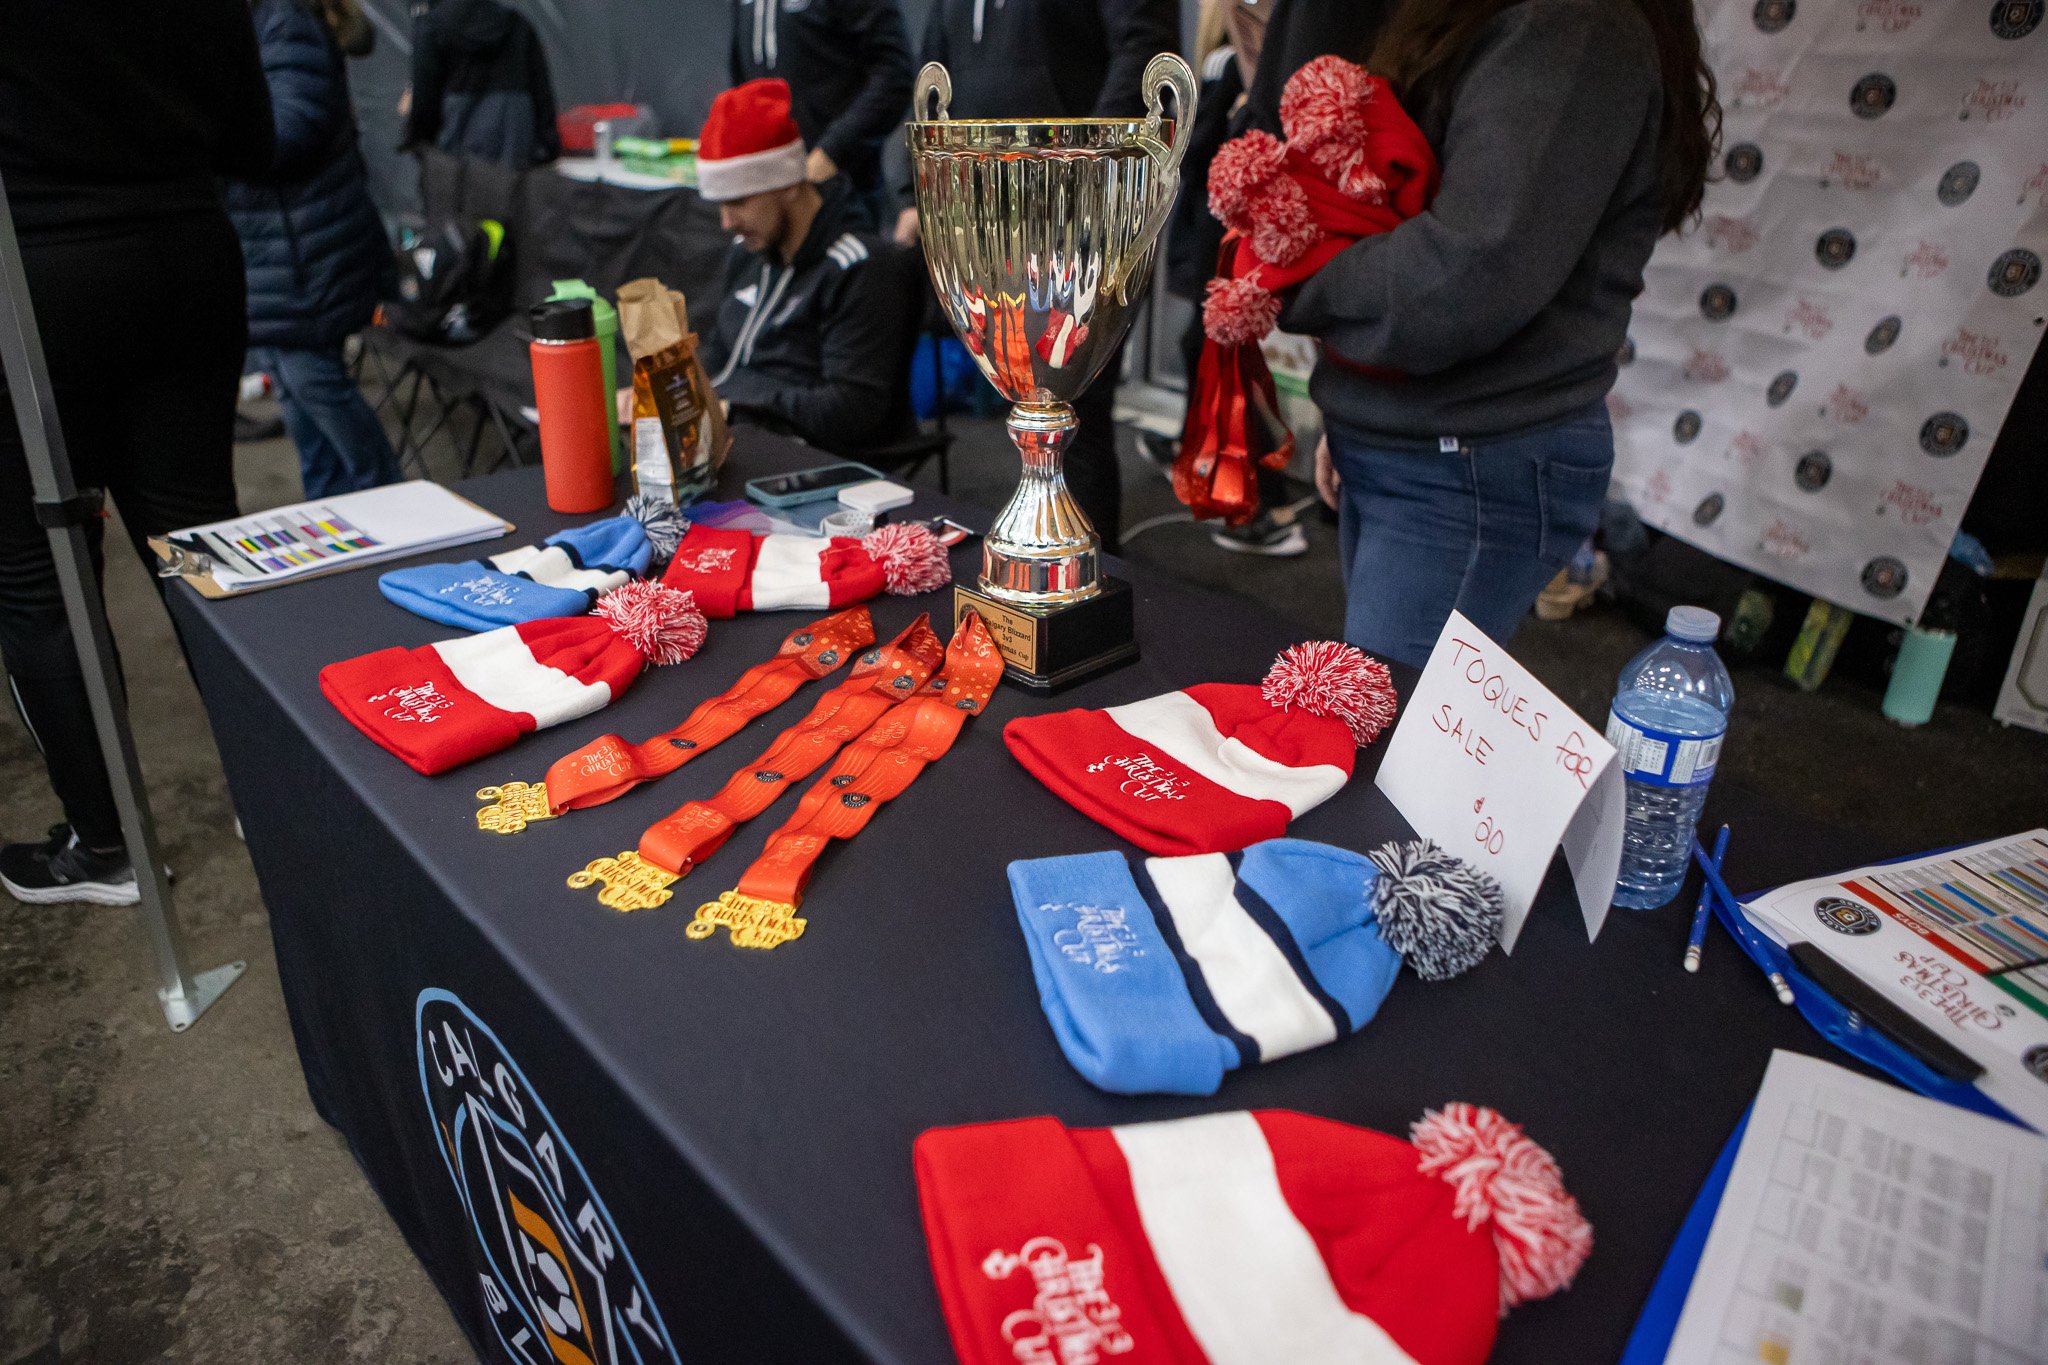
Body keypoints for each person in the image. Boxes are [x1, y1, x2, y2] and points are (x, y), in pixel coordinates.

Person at [1296, 0, 1718, 666]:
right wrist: (1352, 394)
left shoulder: (1574, 29)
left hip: (1466, 456)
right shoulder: (1493, 21)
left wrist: (1290, 276)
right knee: (1388, 722)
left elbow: (1463, 280)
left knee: (1387, 737)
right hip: (1417, 439)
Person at [0, 0, 272, 904]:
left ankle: (105, 843)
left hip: (33, 270)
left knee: (42, 577)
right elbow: (251, 135)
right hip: (185, 254)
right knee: (199, 542)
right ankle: (280, 792)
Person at [897, 0, 1180, 554]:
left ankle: (1093, 574)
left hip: (1076, 207)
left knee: (1078, 405)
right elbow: (935, 66)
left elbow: (1143, 43)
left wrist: (1089, 168)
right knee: (1023, 402)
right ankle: (1038, 553)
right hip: (976, 208)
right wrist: (921, 188)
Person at [231, 0, 402, 500]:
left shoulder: (283, 20)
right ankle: (332, 515)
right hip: (283, 252)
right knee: (295, 391)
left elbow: (290, 134)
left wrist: (205, 122)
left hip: (305, 252)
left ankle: (395, 500)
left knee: (313, 384)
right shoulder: (265, 20)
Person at [696, 80, 917, 459]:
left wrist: (737, 408)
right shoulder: (747, 253)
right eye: (720, 205)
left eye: (738, 202)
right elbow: (719, 353)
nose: (726, 222)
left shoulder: (861, 268)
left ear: (787, 184)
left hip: (812, 457)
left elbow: (852, 410)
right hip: (739, 436)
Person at [1163, 0, 1312, 558]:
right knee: (1203, 353)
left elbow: (1201, 154)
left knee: (1222, 363)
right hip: (1212, 239)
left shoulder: (1231, 69)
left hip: (1221, 243)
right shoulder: (1227, 67)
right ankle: (1199, 457)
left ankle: (1265, 503)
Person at [730, 0, 914, 228]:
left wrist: (830, 154)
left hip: (840, 195)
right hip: (769, 197)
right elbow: (744, 79)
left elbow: (895, 76)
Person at [405, 0, 561, 165]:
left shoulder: (430, 28)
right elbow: (543, 102)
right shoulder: (519, 25)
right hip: (515, 171)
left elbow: (424, 106)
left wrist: (421, 148)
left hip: (455, 171)